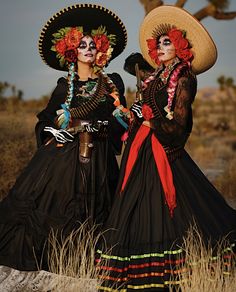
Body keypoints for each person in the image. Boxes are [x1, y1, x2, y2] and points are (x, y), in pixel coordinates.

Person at [96, 5, 236, 291]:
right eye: (157, 43)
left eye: (167, 42)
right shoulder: (157, 75)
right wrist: (135, 115)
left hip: (162, 148)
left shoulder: (183, 78)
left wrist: (150, 120)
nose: (160, 47)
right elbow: (150, 108)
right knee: (134, 203)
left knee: (172, 207)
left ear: (180, 46)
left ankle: (176, 269)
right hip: (142, 147)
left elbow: (180, 125)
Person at [0, 3, 128, 272]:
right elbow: (45, 119)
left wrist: (119, 121)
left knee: (99, 211)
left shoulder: (112, 83)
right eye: (82, 45)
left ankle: (88, 261)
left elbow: (120, 124)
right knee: (58, 207)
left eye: (93, 44)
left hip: (101, 158)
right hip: (65, 157)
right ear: (72, 51)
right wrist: (52, 131)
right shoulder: (64, 87)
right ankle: (59, 258)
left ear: (100, 49)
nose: (88, 48)